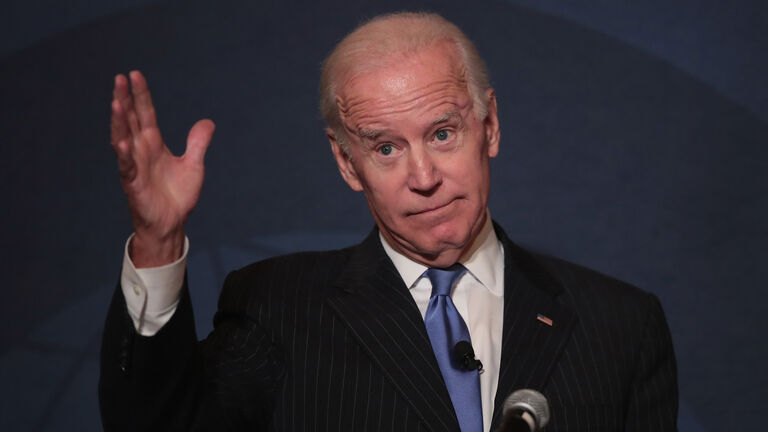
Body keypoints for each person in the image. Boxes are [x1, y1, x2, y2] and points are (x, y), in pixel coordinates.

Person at [99, 12, 678, 431]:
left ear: (490, 125)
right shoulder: (275, 308)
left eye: (442, 134)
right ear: (346, 162)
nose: (423, 176)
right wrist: (158, 239)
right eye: (385, 149)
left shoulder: (621, 326)